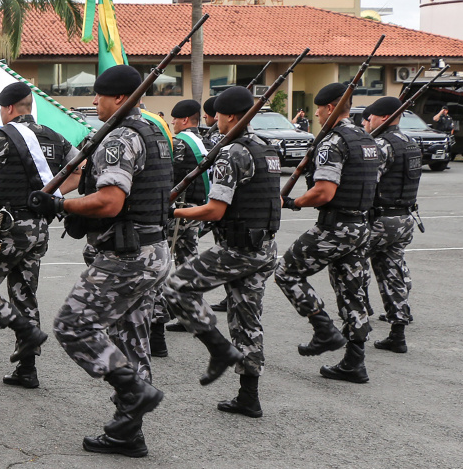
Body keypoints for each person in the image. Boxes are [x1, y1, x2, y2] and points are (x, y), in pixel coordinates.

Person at [28, 65, 172, 458]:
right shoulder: (153, 133)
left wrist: (58, 204)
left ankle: (134, 391)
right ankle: (129, 433)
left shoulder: (121, 138)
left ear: (120, 98)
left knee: (73, 325)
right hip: (153, 250)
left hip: (127, 256)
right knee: (132, 339)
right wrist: (46, 193)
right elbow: (86, 176)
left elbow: (110, 201)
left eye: (99, 95)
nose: (94, 101)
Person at [160, 86, 280, 418]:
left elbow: (214, 211)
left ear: (228, 116)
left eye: (218, 117)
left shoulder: (233, 153)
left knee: (175, 286)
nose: (215, 122)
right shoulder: (266, 149)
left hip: (238, 249)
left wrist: (175, 212)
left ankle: (218, 349)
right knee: (247, 319)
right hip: (264, 246)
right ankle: (248, 397)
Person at [0, 82, 78, 389]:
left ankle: (24, 331)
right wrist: (46, 195)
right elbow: (81, 169)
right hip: (39, 228)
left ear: (9, 108)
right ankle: (27, 369)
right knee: (24, 292)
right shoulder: (53, 137)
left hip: (8, 228)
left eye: (1, 109)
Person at [275, 82, 379, 384]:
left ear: (330, 108)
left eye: (319, 109)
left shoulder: (334, 142)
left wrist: (293, 203)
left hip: (336, 225)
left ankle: (323, 329)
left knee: (286, 272)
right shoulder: (366, 138)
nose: (317, 114)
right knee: (352, 290)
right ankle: (354, 362)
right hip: (361, 225)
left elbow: (323, 191)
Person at [150, 99, 210, 353]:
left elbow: (168, 176)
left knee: (162, 265)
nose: (172, 123)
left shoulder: (180, 144)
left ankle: (158, 320)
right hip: (196, 210)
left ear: (185, 120)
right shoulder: (206, 141)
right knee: (189, 262)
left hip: (177, 213)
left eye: (174, 119)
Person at [362, 96, 421, 353]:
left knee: (349, 262)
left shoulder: (381, 145)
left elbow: (367, 183)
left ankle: (357, 324)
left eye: (371, 116)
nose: (368, 121)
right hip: (405, 218)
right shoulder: (411, 143)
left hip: (381, 218)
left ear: (384, 117)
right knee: (393, 273)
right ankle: (398, 332)